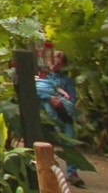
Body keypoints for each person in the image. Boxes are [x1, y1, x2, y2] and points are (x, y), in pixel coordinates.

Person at [35, 50, 85, 187]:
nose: (54, 65)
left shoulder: (66, 80)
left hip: (64, 116)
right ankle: (46, 173)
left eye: (58, 63)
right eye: (53, 61)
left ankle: (72, 173)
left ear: (62, 65)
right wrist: (49, 98)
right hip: (46, 117)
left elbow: (72, 98)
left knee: (70, 144)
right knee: (45, 145)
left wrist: (61, 102)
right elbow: (35, 91)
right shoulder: (42, 76)